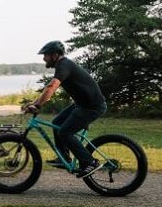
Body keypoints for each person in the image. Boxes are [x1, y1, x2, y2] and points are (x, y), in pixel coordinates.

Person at [24, 40, 107, 178]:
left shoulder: (64, 65)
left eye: (46, 55)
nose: (44, 58)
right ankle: (64, 158)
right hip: (82, 104)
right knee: (57, 123)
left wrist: (38, 105)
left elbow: (51, 87)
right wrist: (35, 102)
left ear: (55, 55)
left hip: (92, 107)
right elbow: (50, 88)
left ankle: (90, 162)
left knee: (65, 132)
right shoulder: (62, 65)